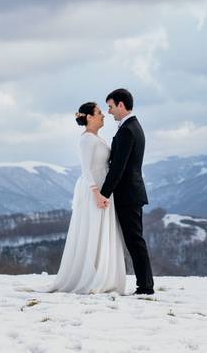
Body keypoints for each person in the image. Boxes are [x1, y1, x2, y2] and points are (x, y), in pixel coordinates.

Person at [48, 101, 127, 294]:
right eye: (100, 112)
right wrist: (96, 193)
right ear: (89, 117)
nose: (103, 115)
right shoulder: (86, 140)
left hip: (103, 188)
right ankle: (89, 277)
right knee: (91, 230)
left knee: (101, 231)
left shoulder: (96, 138)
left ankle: (102, 275)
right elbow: (86, 169)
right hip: (94, 189)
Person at [97, 88, 155, 295]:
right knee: (134, 240)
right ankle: (145, 284)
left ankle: (146, 286)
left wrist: (103, 193)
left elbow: (118, 168)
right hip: (132, 193)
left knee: (134, 240)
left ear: (121, 105)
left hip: (128, 195)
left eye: (111, 107)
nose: (109, 111)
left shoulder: (128, 130)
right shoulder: (133, 126)